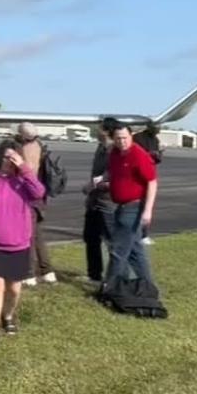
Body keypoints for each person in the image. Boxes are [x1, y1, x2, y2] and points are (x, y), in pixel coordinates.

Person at [0, 139, 47, 345]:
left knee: (14, 289)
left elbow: (39, 193)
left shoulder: (23, 181)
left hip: (18, 243)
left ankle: (7, 316)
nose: (9, 161)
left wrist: (24, 168)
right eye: (6, 157)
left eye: (13, 157)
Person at [104, 122, 159, 290]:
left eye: (125, 138)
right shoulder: (114, 153)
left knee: (118, 250)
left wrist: (148, 211)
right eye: (118, 138)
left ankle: (111, 287)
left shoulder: (138, 155)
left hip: (134, 207)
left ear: (131, 136)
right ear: (113, 139)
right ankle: (148, 285)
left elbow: (152, 182)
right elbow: (114, 173)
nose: (122, 142)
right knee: (135, 251)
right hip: (121, 206)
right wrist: (101, 182)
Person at [15, 123, 56, 286]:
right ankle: (47, 271)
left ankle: (29, 273)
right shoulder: (41, 147)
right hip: (40, 195)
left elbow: (27, 172)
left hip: (28, 194)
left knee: (28, 235)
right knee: (37, 234)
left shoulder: (25, 148)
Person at [81, 120, 116, 284]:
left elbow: (113, 175)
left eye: (100, 127)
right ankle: (94, 274)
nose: (97, 130)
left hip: (107, 202)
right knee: (90, 237)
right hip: (94, 200)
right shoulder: (100, 148)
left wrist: (93, 185)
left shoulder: (113, 150)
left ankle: (113, 278)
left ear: (106, 131)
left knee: (112, 241)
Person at [131, 124, 164, 246]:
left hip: (149, 174)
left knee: (146, 206)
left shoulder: (155, 140)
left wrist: (158, 155)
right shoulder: (137, 138)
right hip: (137, 175)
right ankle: (137, 233)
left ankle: (143, 234)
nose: (159, 130)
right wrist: (150, 154)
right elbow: (136, 154)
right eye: (157, 127)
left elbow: (157, 159)